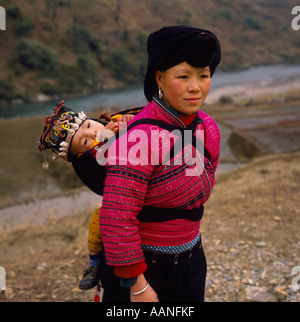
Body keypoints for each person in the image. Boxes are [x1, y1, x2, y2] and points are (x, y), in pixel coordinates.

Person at [98, 25, 221, 302]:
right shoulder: (139, 137)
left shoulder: (209, 128)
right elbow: (117, 217)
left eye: (203, 76)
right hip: (144, 268)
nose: (195, 87)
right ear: (159, 78)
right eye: (183, 76)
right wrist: (138, 285)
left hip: (191, 256)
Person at [38, 100, 135, 291]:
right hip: (117, 201)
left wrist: (129, 120)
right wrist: (108, 138)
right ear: (79, 154)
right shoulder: (86, 163)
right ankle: (95, 262)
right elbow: (101, 162)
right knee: (98, 224)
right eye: (84, 141)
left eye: (89, 125)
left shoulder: (112, 123)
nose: (92, 133)